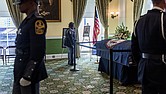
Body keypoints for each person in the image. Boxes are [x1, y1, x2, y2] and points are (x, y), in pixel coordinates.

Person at [13, 0, 48, 94]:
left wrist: (28, 75)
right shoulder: (26, 21)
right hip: (20, 65)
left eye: (21, 3)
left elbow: (38, 51)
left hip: (28, 68)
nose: (19, 6)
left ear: (32, 3)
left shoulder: (37, 21)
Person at [131, 0, 166, 93]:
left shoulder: (139, 21)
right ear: (164, 2)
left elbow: (134, 47)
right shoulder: (163, 18)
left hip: (144, 68)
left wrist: (141, 62)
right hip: (161, 68)